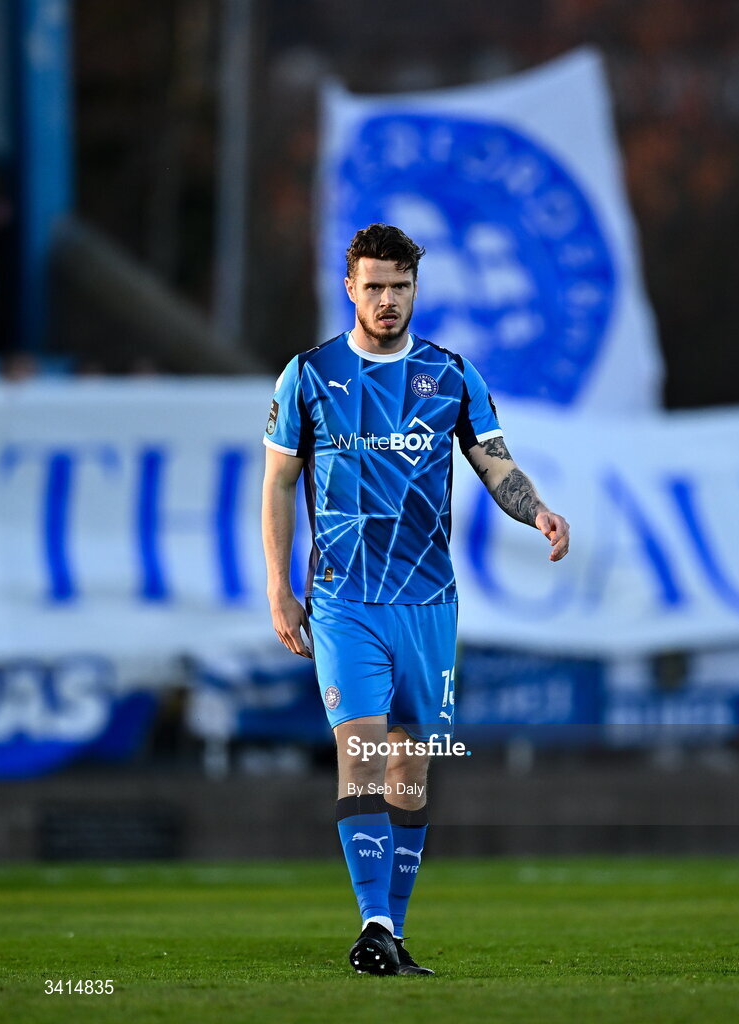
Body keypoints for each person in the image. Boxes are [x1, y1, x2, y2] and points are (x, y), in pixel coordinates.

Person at [261, 223, 569, 976]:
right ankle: (370, 921)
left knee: (410, 771)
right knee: (360, 754)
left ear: (414, 290)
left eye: (399, 287)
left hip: (429, 603)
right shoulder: (308, 375)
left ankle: (387, 934)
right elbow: (278, 480)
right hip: (343, 600)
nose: (387, 300)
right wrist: (278, 585)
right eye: (373, 286)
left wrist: (536, 511)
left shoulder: (452, 375)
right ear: (349, 288)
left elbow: (494, 465)